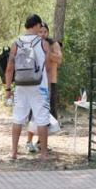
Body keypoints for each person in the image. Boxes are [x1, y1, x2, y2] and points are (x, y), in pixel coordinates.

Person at [5, 14, 51, 161]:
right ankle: (43, 154)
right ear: (37, 25)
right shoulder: (43, 44)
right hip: (39, 87)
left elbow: (9, 69)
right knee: (42, 119)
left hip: (21, 86)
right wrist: (48, 87)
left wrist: (8, 89)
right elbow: (48, 68)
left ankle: (13, 152)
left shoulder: (16, 44)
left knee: (18, 118)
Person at [26, 22, 63, 152]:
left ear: (48, 32)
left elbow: (59, 60)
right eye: (40, 32)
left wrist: (47, 52)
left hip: (50, 83)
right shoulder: (33, 44)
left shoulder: (54, 44)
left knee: (48, 114)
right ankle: (29, 142)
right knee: (34, 113)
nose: (42, 34)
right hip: (36, 84)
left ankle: (41, 143)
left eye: (44, 32)